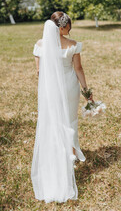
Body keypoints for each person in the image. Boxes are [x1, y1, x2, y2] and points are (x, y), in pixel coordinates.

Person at [31, 11, 93, 203]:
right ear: (62, 27)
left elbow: (40, 71)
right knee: (70, 120)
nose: (69, 30)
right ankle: (71, 155)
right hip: (68, 87)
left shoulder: (40, 46)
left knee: (53, 120)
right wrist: (86, 91)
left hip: (50, 89)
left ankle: (56, 154)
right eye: (68, 27)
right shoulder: (72, 45)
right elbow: (78, 69)